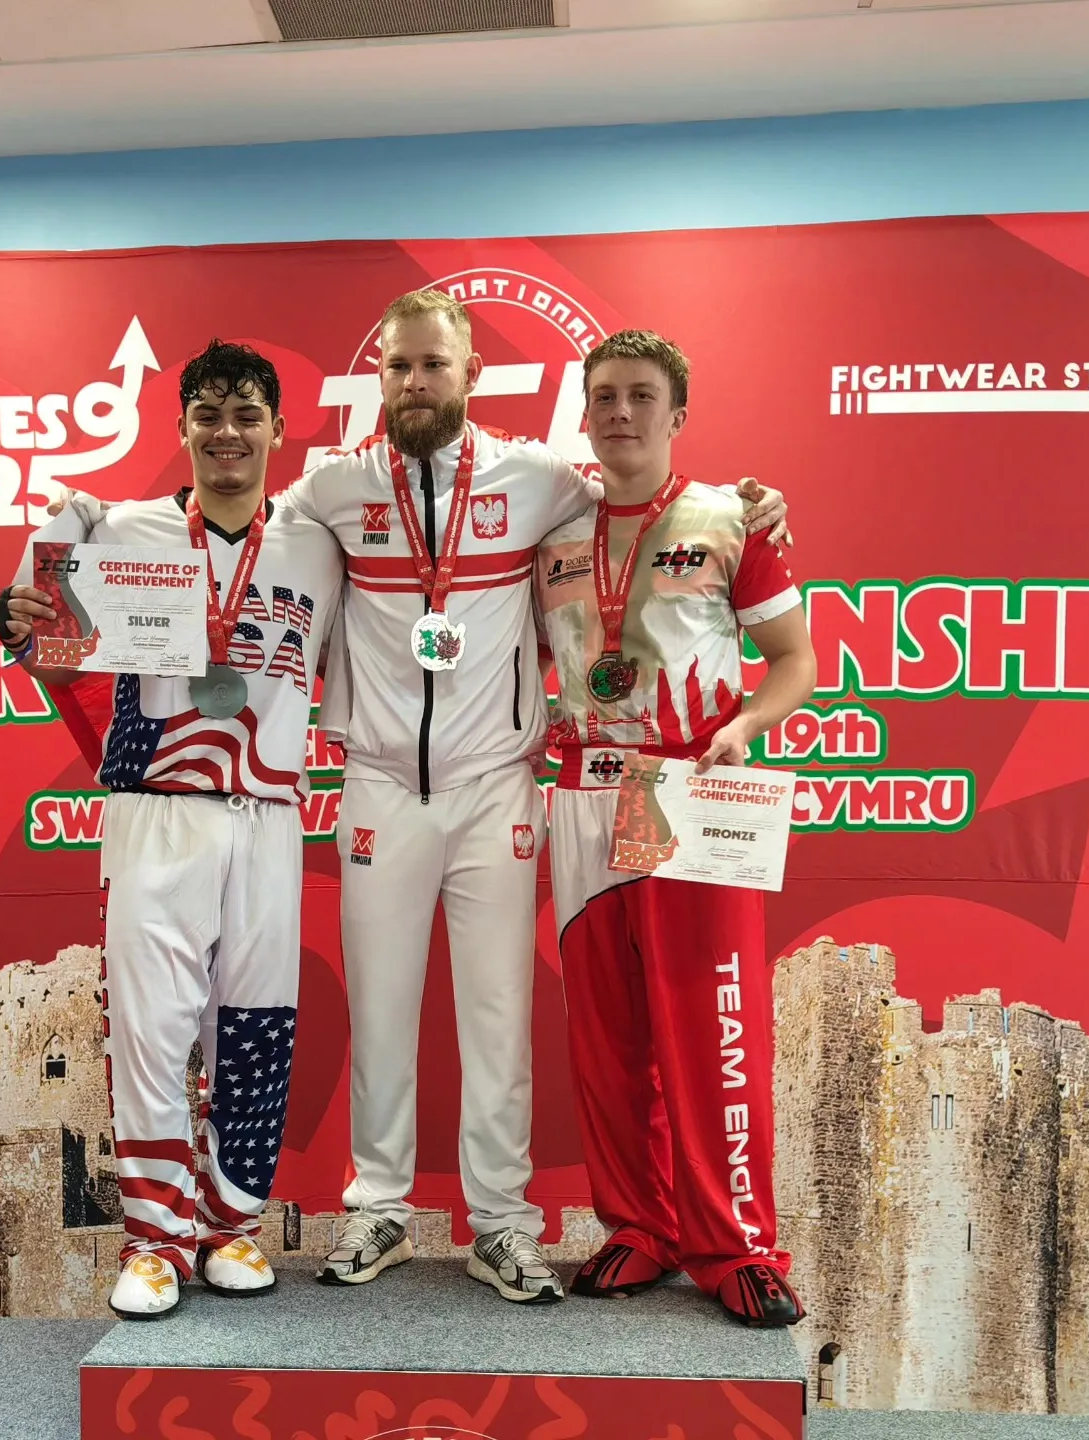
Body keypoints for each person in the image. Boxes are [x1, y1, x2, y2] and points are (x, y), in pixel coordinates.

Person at [288, 290, 790, 1304]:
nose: (416, 382)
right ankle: (377, 1206)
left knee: (499, 1016)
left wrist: (754, 506)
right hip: (380, 783)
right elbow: (238, 531)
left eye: (434, 364)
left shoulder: (541, 479)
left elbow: (650, 505)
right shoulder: (329, 488)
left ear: (473, 374)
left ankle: (505, 1226)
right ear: (376, 376)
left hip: (501, 785)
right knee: (380, 1011)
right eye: (398, 366)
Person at [0, 340, 342, 1318]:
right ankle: (154, 1241)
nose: (228, 432)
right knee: (151, 1033)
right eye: (209, 415)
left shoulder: (318, 543)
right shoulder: (122, 528)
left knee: (259, 1027)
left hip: (270, 815)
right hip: (157, 808)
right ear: (182, 427)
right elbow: (43, 640)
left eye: (247, 414)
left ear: (279, 430)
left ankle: (230, 1227)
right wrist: (17, 612)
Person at [533, 329, 816, 1326]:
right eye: (604, 395)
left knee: (709, 1028)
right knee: (606, 1037)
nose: (621, 412)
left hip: (688, 787)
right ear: (584, 412)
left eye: (642, 395)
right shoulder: (549, 532)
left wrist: (743, 728)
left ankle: (733, 1244)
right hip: (582, 792)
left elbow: (795, 661)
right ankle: (639, 1227)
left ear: (677, 413)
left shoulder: (732, 517)